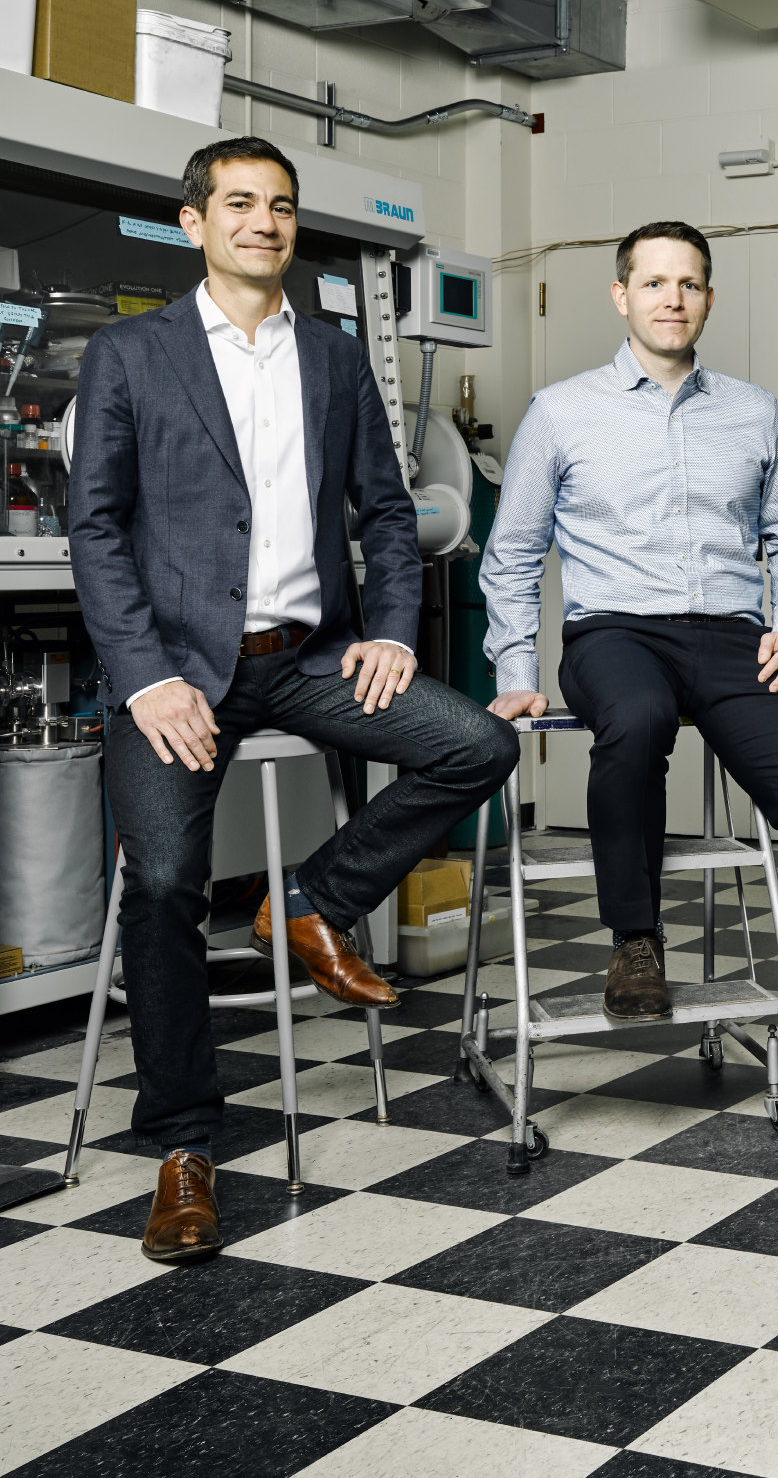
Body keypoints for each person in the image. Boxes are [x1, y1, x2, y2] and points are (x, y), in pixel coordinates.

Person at [70, 136, 521, 1263]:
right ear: (194, 222)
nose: (263, 222)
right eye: (238, 204)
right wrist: (146, 677)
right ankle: (183, 1145)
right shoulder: (131, 353)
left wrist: (386, 628)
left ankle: (311, 897)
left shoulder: (331, 356)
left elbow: (389, 507)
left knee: (471, 746)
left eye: (279, 206)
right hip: (176, 669)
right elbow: (97, 529)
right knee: (167, 878)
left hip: (307, 655)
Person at [480, 220, 778, 1138]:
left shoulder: (751, 409)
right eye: (656, 282)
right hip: (614, 633)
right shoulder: (561, 410)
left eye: (692, 283)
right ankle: (636, 941)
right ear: (621, 296)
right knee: (633, 717)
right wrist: (516, 666)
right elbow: (511, 552)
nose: (674, 297)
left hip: (735, 639)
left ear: (708, 298)